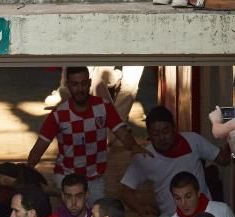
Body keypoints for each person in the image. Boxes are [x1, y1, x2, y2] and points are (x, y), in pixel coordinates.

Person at [26, 66, 146, 205]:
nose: (80, 89)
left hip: (95, 179)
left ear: (89, 83)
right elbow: (40, 147)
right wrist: (27, 169)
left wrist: (134, 146)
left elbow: (122, 133)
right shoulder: (59, 114)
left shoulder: (104, 107)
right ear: (68, 85)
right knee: (75, 214)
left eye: (83, 83)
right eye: (75, 84)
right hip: (67, 177)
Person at [119, 105, 229, 217]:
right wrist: (140, 208)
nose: (162, 138)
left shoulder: (193, 141)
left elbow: (224, 159)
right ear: (149, 135)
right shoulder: (145, 156)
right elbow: (125, 191)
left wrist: (233, 140)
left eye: (165, 131)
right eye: (156, 134)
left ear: (174, 128)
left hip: (204, 216)